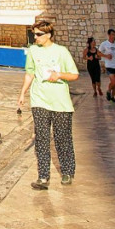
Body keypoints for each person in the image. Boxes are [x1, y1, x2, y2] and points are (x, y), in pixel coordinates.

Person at [17, 19, 78, 189]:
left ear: (48, 35)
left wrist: (59, 75)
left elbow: (74, 75)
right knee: (42, 138)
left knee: (62, 138)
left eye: (38, 34)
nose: (35, 37)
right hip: (39, 99)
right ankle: (43, 176)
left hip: (60, 101)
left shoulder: (61, 52)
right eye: (33, 34)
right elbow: (29, 73)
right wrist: (22, 93)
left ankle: (67, 171)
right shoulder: (33, 51)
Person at [98, 29, 115, 103]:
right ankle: (108, 91)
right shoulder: (104, 44)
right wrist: (106, 56)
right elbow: (98, 53)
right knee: (113, 82)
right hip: (109, 65)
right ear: (109, 35)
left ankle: (112, 97)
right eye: (112, 34)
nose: (114, 36)